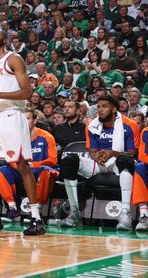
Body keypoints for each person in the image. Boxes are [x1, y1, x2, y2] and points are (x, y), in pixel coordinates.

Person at [0, 27, 45, 236]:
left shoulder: (14, 59)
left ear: (5, 38)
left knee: (21, 165)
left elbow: (27, 92)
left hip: (12, 114)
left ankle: (36, 218)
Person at [59, 95, 139, 230]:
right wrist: (96, 156)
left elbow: (132, 153)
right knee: (69, 161)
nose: (100, 110)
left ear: (114, 109)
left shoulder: (130, 125)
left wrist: (112, 153)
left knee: (125, 160)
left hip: (119, 162)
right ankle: (74, 211)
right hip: (99, 162)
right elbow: (92, 150)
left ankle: (125, 213)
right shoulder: (92, 125)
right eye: (99, 106)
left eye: (104, 106)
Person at [0, 109, 59, 221]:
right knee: (2, 170)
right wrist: (22, 167)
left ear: (35, 120)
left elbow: (52, 160)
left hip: (40, 170)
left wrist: (33, 165)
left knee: (46, 171)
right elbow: (11, 159)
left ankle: (37, 210)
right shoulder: (14, 137)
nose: (24, 122)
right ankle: (12, 207)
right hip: (22, 170)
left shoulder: (47, 137)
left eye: (27, 119)